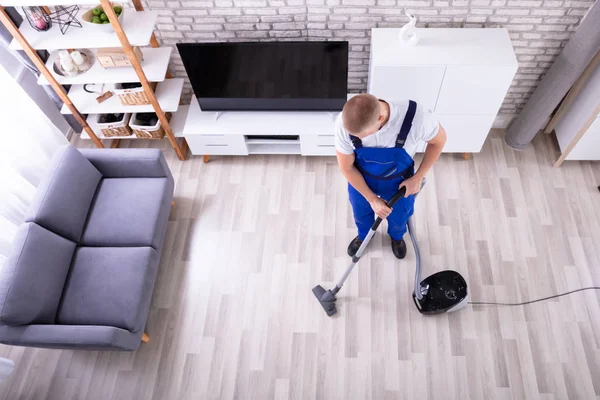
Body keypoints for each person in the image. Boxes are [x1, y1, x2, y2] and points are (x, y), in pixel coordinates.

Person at [335, 94, 446, 259]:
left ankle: (397, 237)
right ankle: (365, 235)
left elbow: (439, 141)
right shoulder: (344, 123)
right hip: (361, 177)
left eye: (362, 136)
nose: (356, 139)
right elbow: (347, 167)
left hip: (399, 182)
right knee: (360, 212)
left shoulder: (417, 118)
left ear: (380, 118)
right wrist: (372, 199)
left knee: (400, 216)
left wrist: (418, 177)